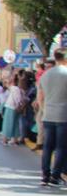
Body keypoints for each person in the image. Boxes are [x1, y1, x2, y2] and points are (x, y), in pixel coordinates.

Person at [37, 49, 67, 186]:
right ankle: (56, 176)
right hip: (63, 115)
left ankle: (45, 175)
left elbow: (40, 97)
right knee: (61, 147)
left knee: (47, 146)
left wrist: (44, 110)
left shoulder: (45, 75)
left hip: (48, 114)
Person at [2, 74, 26, 145]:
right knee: (15, 123)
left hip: (11, 107)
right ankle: (15, 139)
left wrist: (19, 105)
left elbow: (17, 99)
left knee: (7, 123)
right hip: (15, 107)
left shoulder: (14, 88)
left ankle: (5, 139)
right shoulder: (19, 89)